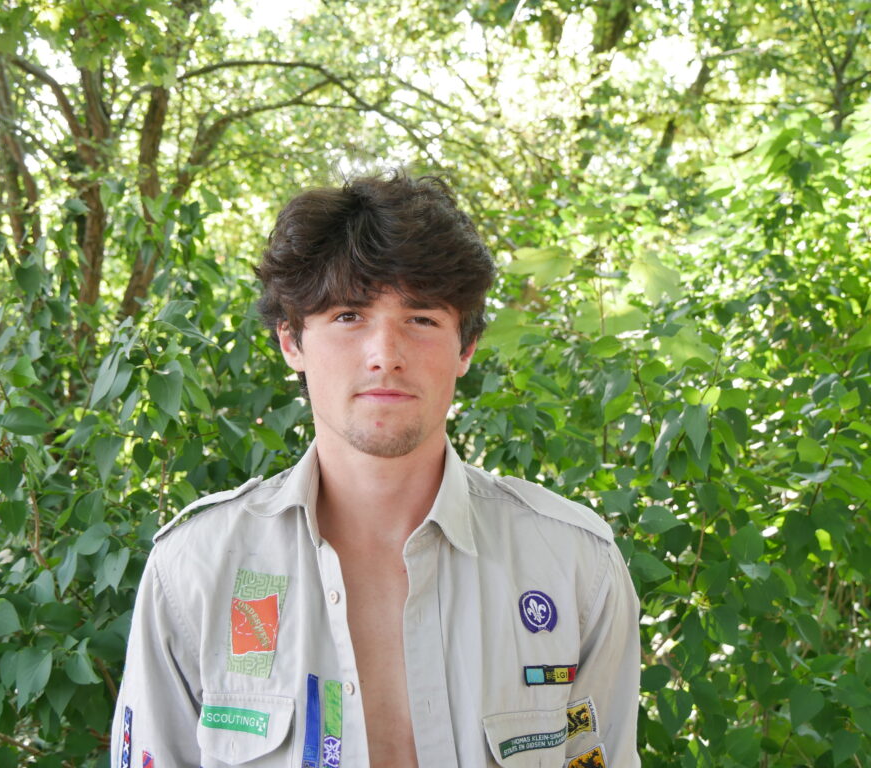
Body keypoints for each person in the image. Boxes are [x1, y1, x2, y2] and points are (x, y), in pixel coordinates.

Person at [111, 172, 641, 768]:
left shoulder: (574, 565)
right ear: (291, 342)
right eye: (348, 315)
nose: (385, 354)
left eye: (421, 319)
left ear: (465, 347)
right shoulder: (195, 569)